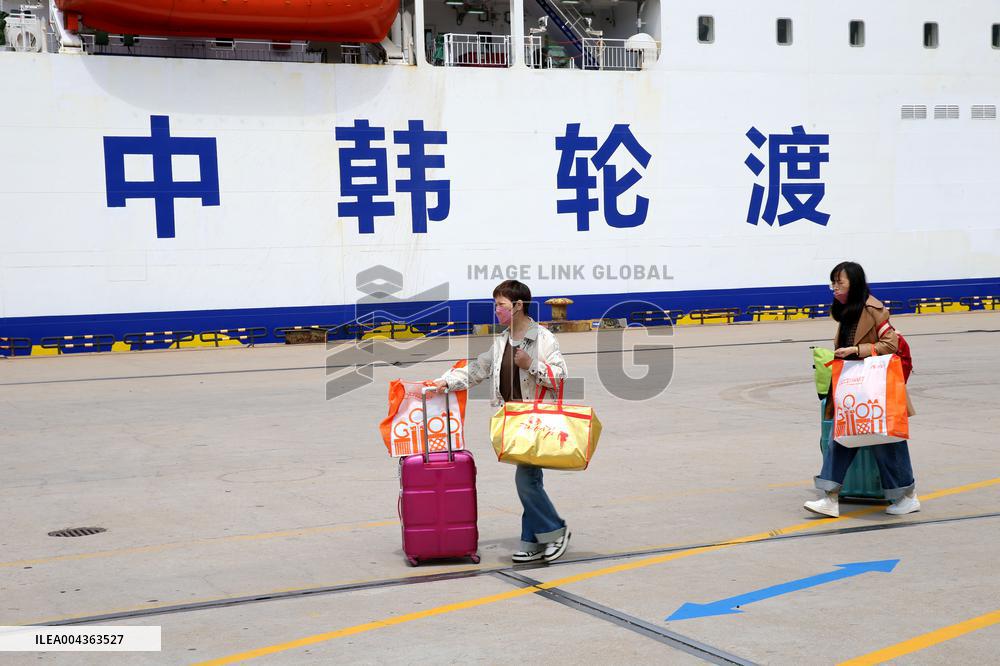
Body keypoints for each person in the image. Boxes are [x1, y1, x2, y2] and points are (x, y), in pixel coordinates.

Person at [428, 280, 571, 562]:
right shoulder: (502, 341)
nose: (496, 311)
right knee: (530, 480)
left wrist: (531, 365)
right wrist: (443, 382)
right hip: (513, 420)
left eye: (501, 305)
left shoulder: (543, 339)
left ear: (518, 306)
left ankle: (555, 530)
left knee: (526, 479)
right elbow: (477, 370)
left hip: (537, 418)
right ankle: (532, 540)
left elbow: (561, 376)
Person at [804, 262, 919, 518]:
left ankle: (907, 496)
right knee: (841, 438)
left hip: (875, 387)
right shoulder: (848, 310)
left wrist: (856, 351)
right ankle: (830, 497)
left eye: (839, 282)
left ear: (853, 283)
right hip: (854, 387)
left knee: (887, 441)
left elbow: (891, 344)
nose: (834, 287)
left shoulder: (873, 309)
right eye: (832, 282)